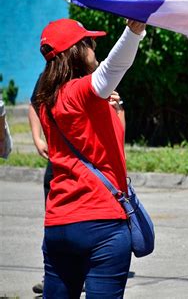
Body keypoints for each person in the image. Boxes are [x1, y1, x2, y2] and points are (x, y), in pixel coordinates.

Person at [33, 18, 145, 297]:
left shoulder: (48, 100)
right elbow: (115, 66)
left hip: (58, 224)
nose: (94, 47)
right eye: (89, 42)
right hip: (102, 223)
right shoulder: (80, 91)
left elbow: (108, 144)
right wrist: (134, 32)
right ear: (75, 51)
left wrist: (114, 109)